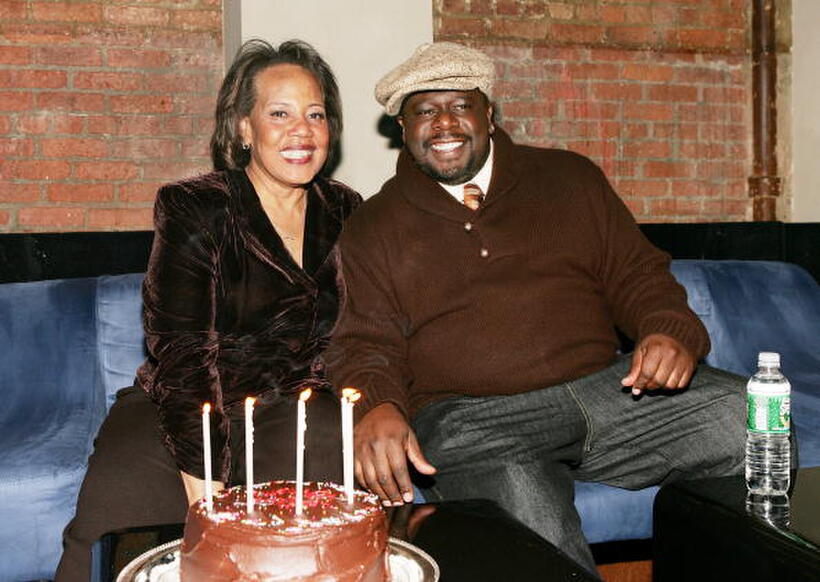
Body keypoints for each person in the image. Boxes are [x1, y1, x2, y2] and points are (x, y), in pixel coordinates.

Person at [327, 41, 746, 575]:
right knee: (523, 505)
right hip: (474, 418)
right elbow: (363, 341)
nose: (444, 123)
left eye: (460, 105)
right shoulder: (374, 226)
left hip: (610, 390)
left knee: (751, 421)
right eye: (424, 111)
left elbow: (637, 274)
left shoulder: (570, 179)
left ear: (489, 114)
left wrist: (667, 330)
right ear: (404, 131)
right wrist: (376, 406)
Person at [55, 39, 361, 581]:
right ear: (243, 127)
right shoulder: (196, 206)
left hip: (297, 406)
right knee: (111, 530)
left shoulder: (348, 210)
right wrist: (204, 481)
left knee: (300, 539)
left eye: (316, 114)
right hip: (181, 402)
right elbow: (181, 348)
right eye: (280, 113)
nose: (302, 130)